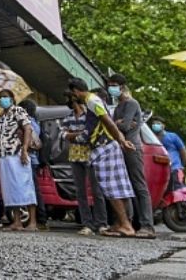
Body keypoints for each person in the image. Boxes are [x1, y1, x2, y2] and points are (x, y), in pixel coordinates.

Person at [68, 78, 136, 238]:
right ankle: (121, 223)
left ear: (76, 91)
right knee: (118, 186)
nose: (72, 97)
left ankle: (126, 225)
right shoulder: (93, 101)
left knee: (111, 187)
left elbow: (109, 122)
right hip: (107, 146)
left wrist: (121, 140)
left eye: (72, 93)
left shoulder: (91, 101)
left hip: (105, 147)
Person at [109, 74, 155, 238]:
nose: (111, 88)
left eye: (114, 85)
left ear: (122, 86)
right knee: (123, 187)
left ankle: (147, 226)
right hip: (121, 147)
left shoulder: (131, 103)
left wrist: (119, 124)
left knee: (139, 185)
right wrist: (118, 124)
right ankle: (125, 223)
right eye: (110, 85)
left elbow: (126, 126)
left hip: (132, 148)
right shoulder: (119, 106)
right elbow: (116, 127)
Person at [61, 91, 108, 235]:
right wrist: (78, 135)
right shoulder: (68, 117)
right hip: (74, 156)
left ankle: (101, 223)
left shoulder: (89, 115)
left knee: (96, 190)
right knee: (80, 192)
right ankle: (87, 224)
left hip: (90, 155)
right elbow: (63, 134)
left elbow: (87, 134)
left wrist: (73, 135)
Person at [0, 90, 37, 231]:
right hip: (3, 155)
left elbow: (28, 129)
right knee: (11, 189)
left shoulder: (18, 111)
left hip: (17, 153)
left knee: (25, 186)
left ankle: (32, 222)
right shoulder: (0, 117)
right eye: (0, 97)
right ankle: (17, 221)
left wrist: (24, 149)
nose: (2, 100)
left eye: (5, 97)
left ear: (12, 99)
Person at [19, 99, 48, 229]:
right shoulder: (35, 122)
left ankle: (39, 219)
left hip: (29, 159)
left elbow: (30, 141)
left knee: (33, 190)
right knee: (33, 189)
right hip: (33, 159)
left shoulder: (29, 123)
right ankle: (37, 218)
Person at [151, 116, 186, 189]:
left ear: (163, 126)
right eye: (153, 124)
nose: (155, 125)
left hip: (174, 169)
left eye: (158, 123)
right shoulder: (151, 138)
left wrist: (182, 165)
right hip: (159, 171)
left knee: (176, 190)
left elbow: (183, 151)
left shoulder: (172, 136)